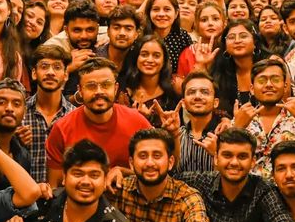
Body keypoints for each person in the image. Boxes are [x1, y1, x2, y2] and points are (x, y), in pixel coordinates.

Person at [178, 128, 295, 222]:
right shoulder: (200, 181)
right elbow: (167, 179)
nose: (234, 162)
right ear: (216, 158)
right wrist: (175, 134)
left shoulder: (262, 188)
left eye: (242, 156)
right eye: (227, 155)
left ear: (253, 161)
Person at [45, 58, 151, 187]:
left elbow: (156, 174)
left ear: (116, 88)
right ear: (80, 90)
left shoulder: (138, 123)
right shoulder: (62, 129)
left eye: (106, 85)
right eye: (91, 86)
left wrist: (124, 172)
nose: (99, 91)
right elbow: (55, 187)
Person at [107, 128, 211, 222]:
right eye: (143, 156)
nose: (150, 163)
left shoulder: (186, 196)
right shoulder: (118, 189)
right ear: (131, 163)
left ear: (170, 162)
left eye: (157, 156)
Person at [19, 44, 75, 184]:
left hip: (62, 193)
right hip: (24, 192)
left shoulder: (75, 116)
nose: (50, 72)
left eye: (57, 67)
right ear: (34, 73)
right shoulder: (18, 113)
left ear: (66, 75)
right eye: (44, 66)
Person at [118, 34, 180, 123]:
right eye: (144, 55)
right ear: (136, 58)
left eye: (156, 56)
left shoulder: (172, 94)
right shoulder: (121, 90)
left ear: (164, 60)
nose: (150, 60)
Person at [175, 71, 225, 174]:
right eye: (191, 92)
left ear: (215, 102)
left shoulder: (225, 134)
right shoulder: (177, 136)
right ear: (183, 103)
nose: (197, 96)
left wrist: (217, 154)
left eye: (205, 92)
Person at [96, 4, 141, 72]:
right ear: (108, 31)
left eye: (128, 29)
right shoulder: (94, 58)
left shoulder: (140, 60)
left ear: (136, 34)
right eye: (116, 28)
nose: (122, 33)